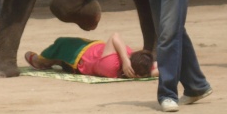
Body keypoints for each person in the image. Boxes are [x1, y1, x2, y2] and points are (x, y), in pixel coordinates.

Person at [25, 33, 158, 79]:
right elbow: (158, 68)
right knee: (61, 53)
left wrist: (124, 60)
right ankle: (53, 61)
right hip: (95, 48)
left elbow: (115, 36)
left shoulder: (111, 66)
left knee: (60, 45)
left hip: (80, 56)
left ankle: (40, 61)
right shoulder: (138, 68)